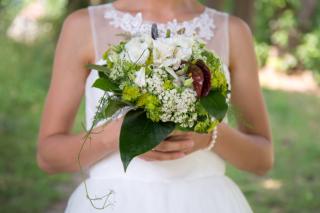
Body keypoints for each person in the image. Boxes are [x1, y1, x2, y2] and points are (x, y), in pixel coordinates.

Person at [37, 0, 273, 212]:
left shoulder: (233, 31)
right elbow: (49, 157)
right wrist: (116, 137)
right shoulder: (82, 26)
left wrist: (209, 135)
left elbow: (262, 159)